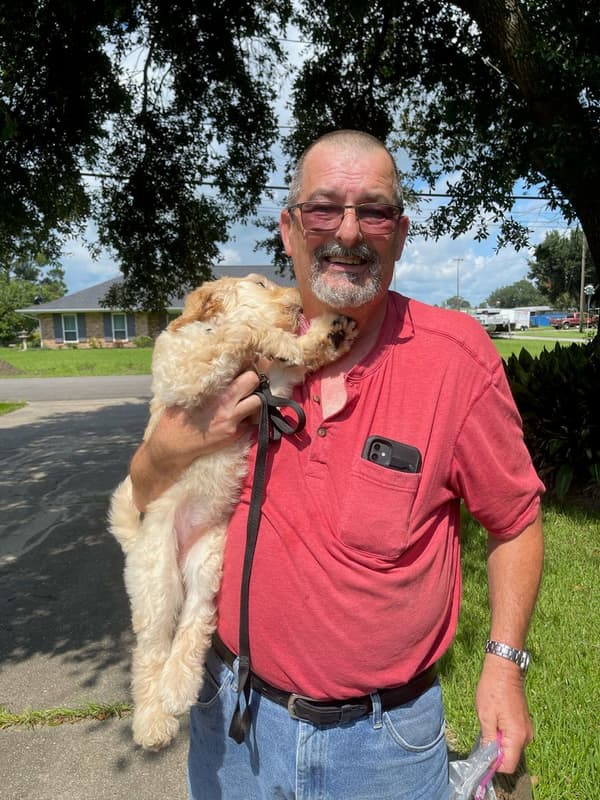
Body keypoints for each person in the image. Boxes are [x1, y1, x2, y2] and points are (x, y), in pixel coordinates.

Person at [129, 130, 544, 800]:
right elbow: (144, 495)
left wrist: (504, 664)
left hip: (385, 746)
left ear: (399, 234)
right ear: (290, 229)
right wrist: (173, 446)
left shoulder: (455, 358)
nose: (348, 231)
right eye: (323, 209)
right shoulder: (236, 352)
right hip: (232, 721)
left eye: (373, 211)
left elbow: (516, 522)